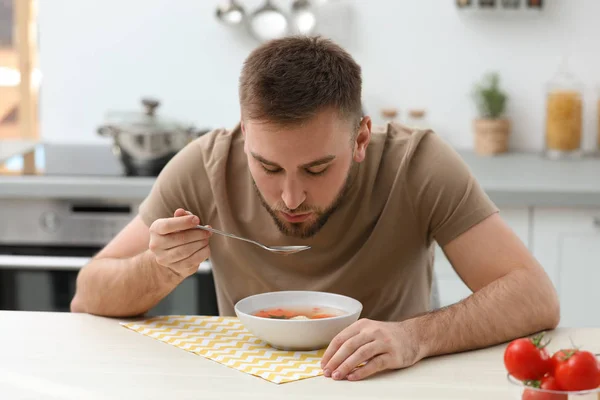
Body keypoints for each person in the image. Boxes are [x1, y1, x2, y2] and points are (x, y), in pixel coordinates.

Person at [71, 36, 560, 381]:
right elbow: (87, 296)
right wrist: (159, 268)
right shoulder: (204, 165)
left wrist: (416, 337)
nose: (290, 198)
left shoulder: (419, 164)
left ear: (361, 137)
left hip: (390, 385)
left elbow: (535, 297)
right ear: (244, 133)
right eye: (267, 166)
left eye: (317, 169)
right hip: (245, 386)